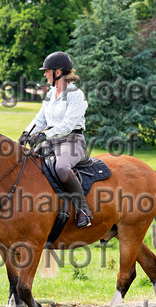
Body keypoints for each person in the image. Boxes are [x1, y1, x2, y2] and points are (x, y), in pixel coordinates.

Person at [19, 51, 92, 228]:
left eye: (47, 71)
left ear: (57, 72)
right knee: (25, 162)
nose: (44, 74)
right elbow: (40, 119)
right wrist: (26, 132)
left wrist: (44, 135)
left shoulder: (76, 95)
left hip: (72, 141)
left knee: (61, 167)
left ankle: (83, 210)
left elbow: (67, 125)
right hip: (52, 141)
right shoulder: (51, 94)